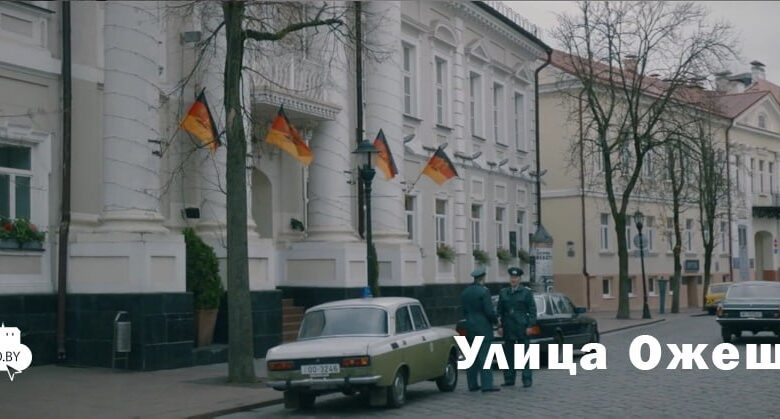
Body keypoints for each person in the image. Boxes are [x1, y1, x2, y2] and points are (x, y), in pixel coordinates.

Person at [460, 266, 500, 393]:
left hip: (469, 327)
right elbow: (489, 311)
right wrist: (496, 321)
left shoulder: (465, 292)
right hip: (483, 328)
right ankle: (487, 385)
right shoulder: (484, 292)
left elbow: (464, 311)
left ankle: (472, 384)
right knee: (485, 357)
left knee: (472, 357)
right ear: (483, 278)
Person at [497, 266, 537, 388]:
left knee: (525, 355)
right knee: (508, 355)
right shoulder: (504, 292)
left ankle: (527, 379)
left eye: (515, 277)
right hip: (508, 327)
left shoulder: (526, 292)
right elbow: (499, 311)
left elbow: (532, 311)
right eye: (512, 277)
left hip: (522, 327)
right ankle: (509, 379)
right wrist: (500, 326)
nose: (513, 280)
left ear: (520, 279)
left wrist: (530, 325)